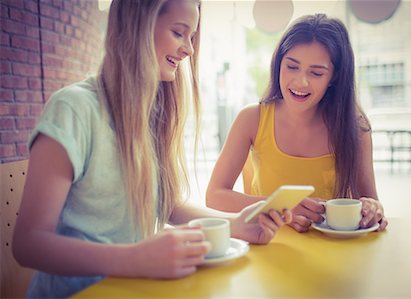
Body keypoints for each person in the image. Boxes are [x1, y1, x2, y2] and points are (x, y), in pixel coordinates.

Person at [12, 1, 292, 298]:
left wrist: (234, 224)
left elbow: (168, 204)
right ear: (138, 27)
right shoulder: (73, 109)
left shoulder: (152, 113)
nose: (189, 50)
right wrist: (136, 258)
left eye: (192, 37)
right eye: (178, 33)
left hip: (134, 289)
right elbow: (29, 244)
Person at [206, 14, 388, 234]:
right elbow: (215, 196)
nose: (301, 82)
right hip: (266, 246)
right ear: (278, 63)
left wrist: (373, 209)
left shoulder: (355, 129)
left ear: (334, 77)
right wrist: (278, 206)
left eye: (316, 73)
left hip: (333, 254)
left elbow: (369, 203)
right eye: (292, 67)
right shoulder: (252, 119)